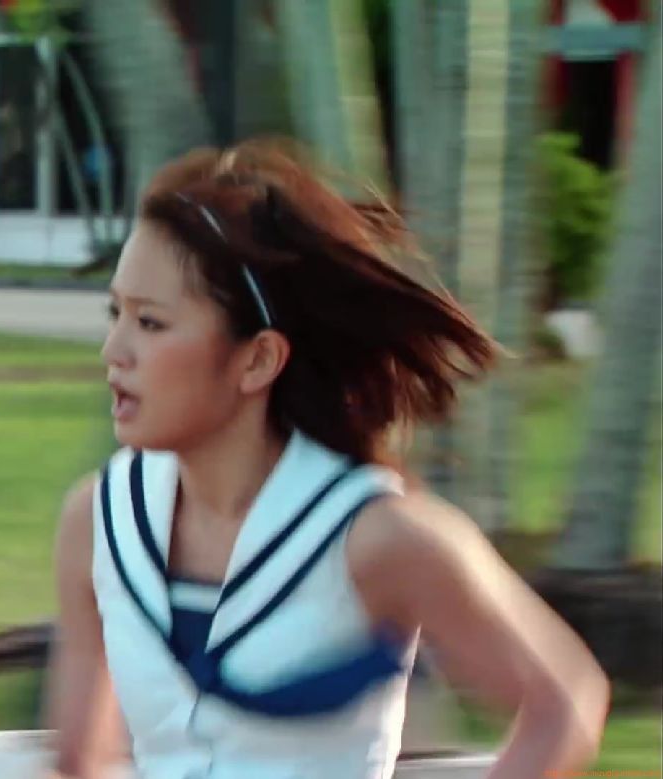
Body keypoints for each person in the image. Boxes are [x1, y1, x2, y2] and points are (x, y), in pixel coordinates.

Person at [43, 142, 609, 779]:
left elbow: (566, 703)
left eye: (150, 323)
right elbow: (79, 761)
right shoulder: (97, 521)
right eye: (115, 313)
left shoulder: (381, 538)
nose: (113, 351)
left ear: (258, 359)